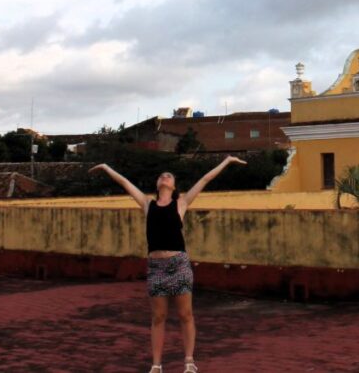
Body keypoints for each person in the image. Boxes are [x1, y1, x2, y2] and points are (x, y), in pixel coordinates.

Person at [90, 155, 247, 373]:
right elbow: (125, 183)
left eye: (169, 176)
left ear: (173, 186)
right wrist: (107, 167)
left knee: (185, 315)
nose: (165, 176)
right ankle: (156, 365)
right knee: (158, 317)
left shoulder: (181, 203)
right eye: (162, 175)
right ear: (157, 184)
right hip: (156, 268)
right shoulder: (147, 204)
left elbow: (204, 180)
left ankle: (189, 361)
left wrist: (227, 161)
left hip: (178, 265)